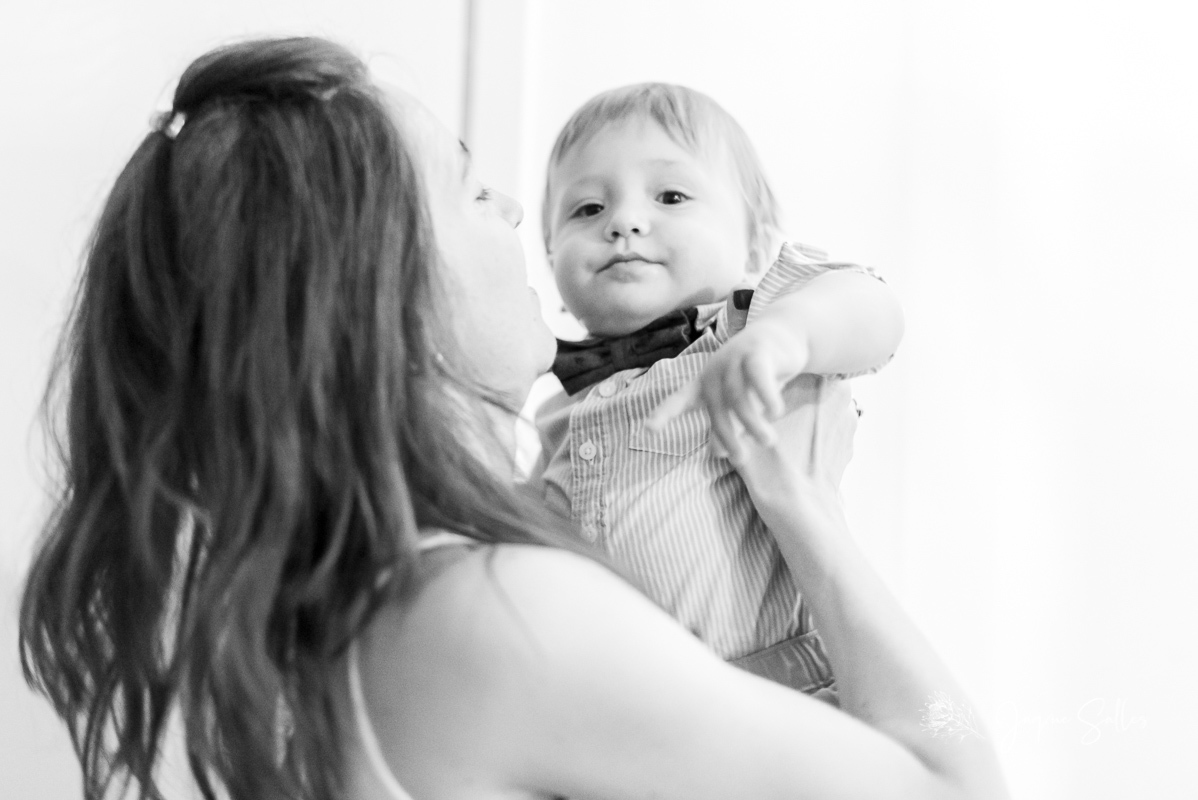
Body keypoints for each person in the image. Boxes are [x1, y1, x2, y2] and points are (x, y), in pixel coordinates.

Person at [19, 37, 1006, 800]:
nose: (508, 207)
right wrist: (801, 505)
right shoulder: (498, 613)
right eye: (464, 185)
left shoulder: (365, 608)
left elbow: (856, 302)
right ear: (384, 298)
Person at [536, 83, 905, 697]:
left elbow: (874, 308)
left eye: (671, 195)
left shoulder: (749, 329)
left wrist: (787, 336)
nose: (624, 221)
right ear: (551, 261)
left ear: (755, 245)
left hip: (782, 694)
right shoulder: (553, 410)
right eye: (587, 209)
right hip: (621, 722)